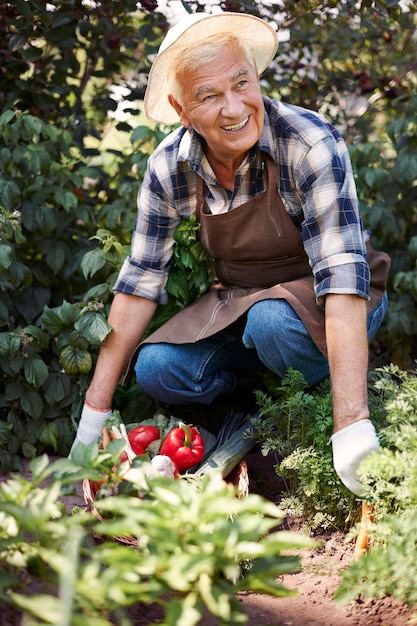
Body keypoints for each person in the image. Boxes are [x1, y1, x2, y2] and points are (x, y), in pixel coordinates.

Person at [70, 11, 390, 496]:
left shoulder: (307, 143)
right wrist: (92, 422)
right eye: (209, 95)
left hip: (337, 299)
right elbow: (139, 283)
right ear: (182, 110)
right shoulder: (169, 168)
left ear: (256, 76)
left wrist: (352, 422)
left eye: (242, 82)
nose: (235, 106)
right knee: (157, 367)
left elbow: (344, 275)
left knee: (272, 325)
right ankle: (260, 408)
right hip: (242, 300)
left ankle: (324, 400)